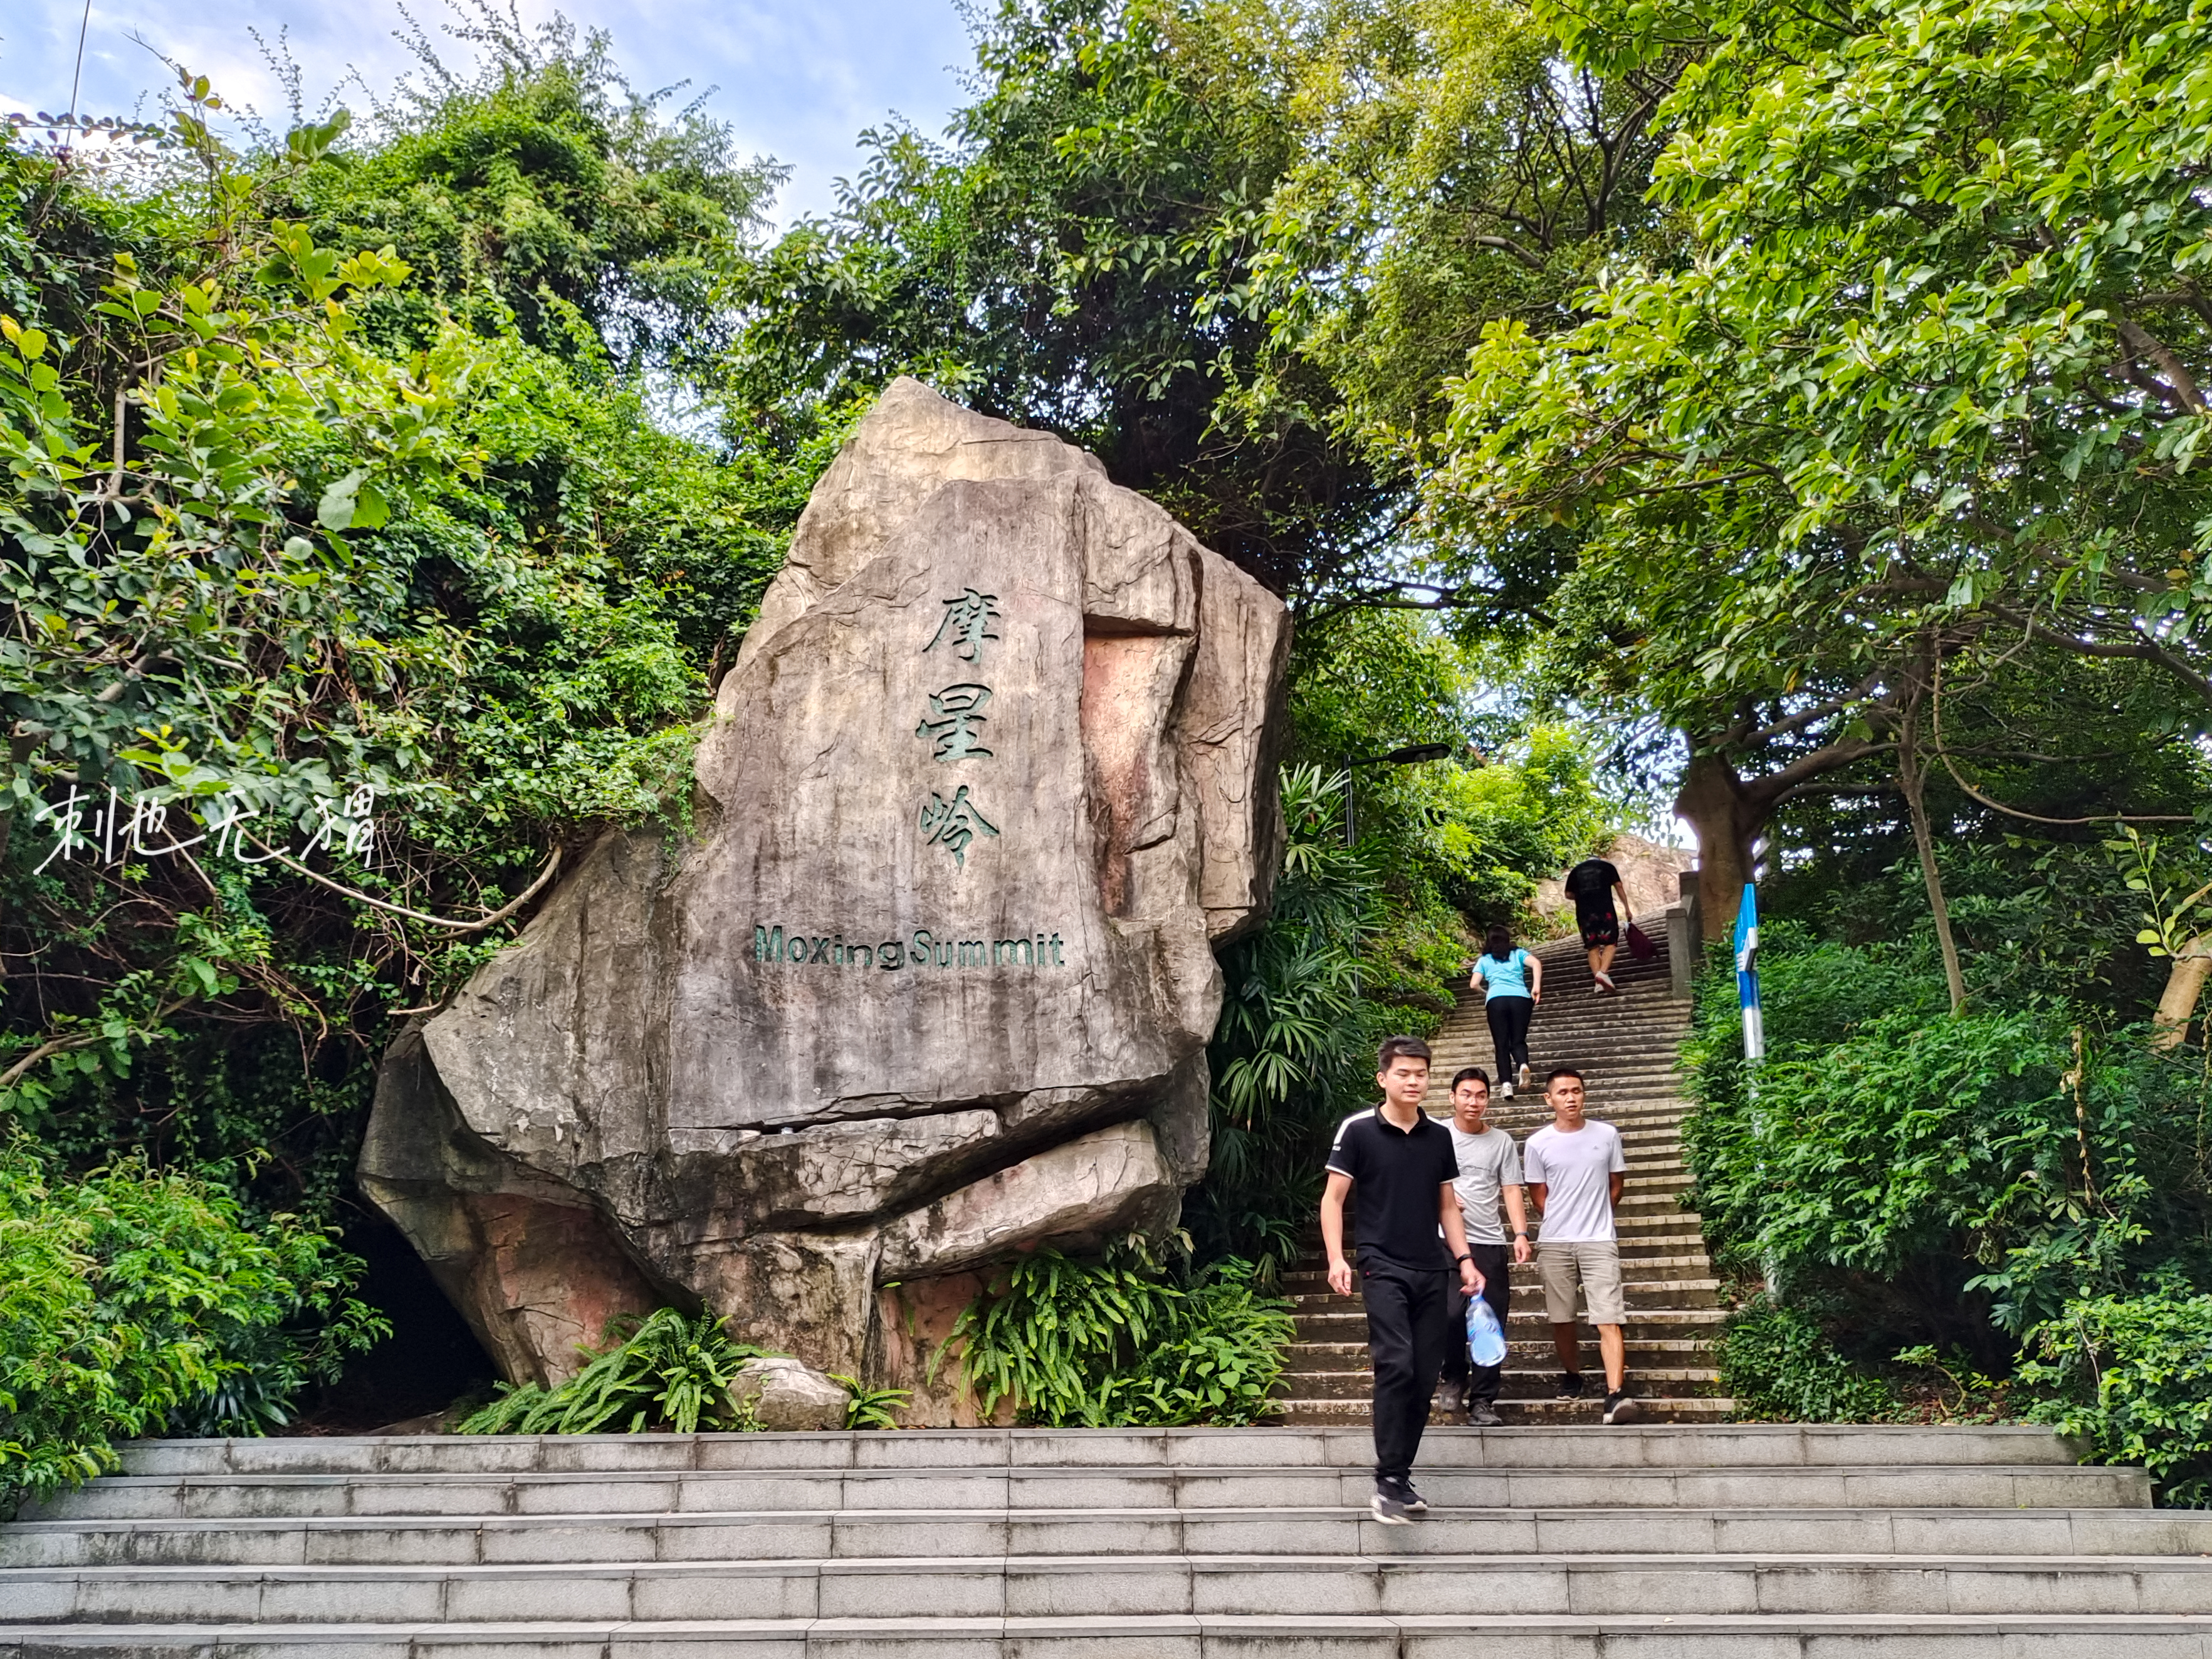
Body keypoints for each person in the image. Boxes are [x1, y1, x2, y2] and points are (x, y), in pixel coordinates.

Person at [1322, 1035, 1486, 1522]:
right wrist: (1337, 1257)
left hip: (1432, 1266)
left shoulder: (1438, 1136)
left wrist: (1465, 1259)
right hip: (1381, 1262)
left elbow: (1446, 1205)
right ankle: (1387, 1477)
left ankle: (1397, 1475)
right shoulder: (1357, 1131)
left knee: (1421, 1376)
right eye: (1403, 1073)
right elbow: (1332, 1199)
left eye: (1421, 1073)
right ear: (1383, 1078)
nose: (1414, 1081)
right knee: (1394, 1361)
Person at [1523, 1066, 1639, 1425]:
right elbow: (1537, 1195)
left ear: (1584, 1094)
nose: (1570, 1098)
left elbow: (1615, 1184)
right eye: (1563, 1093)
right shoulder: (1537, 1143)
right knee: (1562, 1317)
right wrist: (1564, 1217)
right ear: (1549, 1099)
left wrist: (1597, 1216)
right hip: (1556, 1241)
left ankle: (1615, 1394)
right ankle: (1572, 1374)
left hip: (1599, 1238)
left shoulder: (1606, 1134)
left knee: (1609, 1316)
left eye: (1576, 1091)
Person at [1433, 1067, 1531, 1427]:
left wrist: (1520, 1233)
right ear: (1452, 1097)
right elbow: (1418, 1177)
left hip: (1489, 1240)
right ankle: (1454, 1375)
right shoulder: (1437, 1133)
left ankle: (1484, 1399)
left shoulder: (1501, 1141)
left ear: (1488, 1099)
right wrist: (1440, 1198)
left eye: (1480, 1095)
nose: (1473, 1102)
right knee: (1448, 1313)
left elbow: (1510, 1188)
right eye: (1466, 1094)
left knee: (1490, 1321)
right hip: (1444, 1239)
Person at [1469, 923, 1541, 1096]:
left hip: (1496, 1001)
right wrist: (1536, 987)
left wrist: (1486, 992)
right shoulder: (1518, 954)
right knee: (1518, 1039)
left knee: (1501, 1043)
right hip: (1521, 999)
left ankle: (1507, 1086)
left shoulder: (1485, 960)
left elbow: (1474, 984)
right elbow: (1536, 963)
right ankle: (1523, 1064)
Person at [1562, 853, 1632, 993]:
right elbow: (1618, 886)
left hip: (1584, 914)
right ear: (1598, 859)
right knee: (1610, 943)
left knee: (1592, 946)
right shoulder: (1607, 867)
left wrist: (1583, 896)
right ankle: (1603, 974)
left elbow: (1568, 895)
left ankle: (1599, 983)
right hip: (1605, 910)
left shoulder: (1576, 871)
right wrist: (1627, 909)